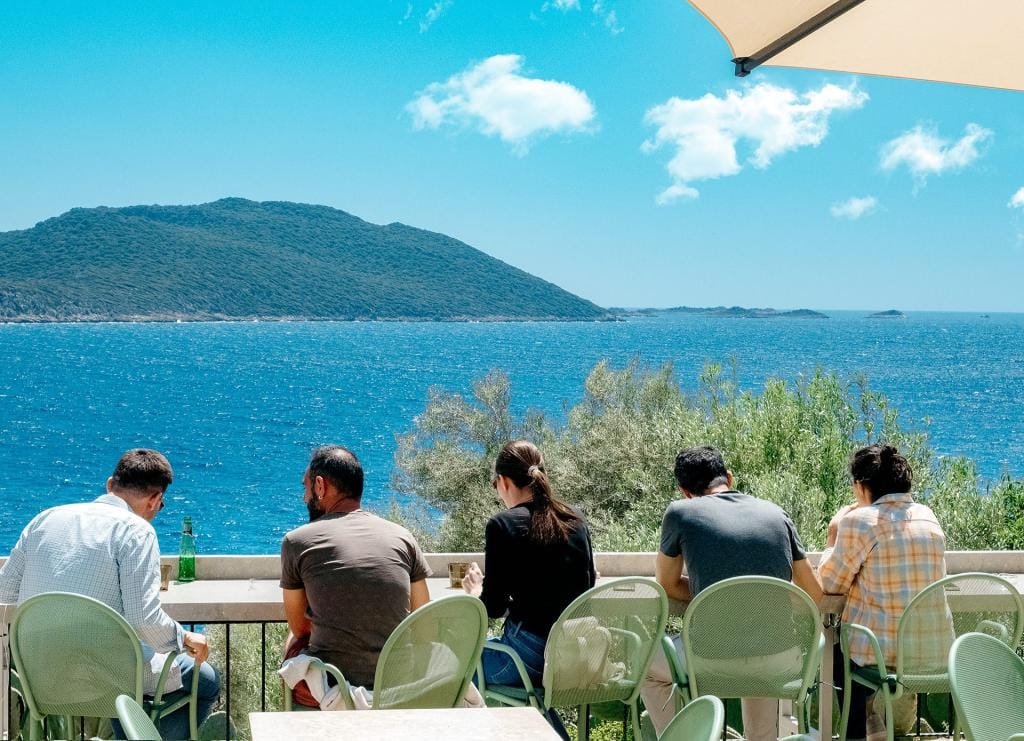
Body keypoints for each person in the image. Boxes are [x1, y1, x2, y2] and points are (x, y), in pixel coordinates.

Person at [0, 449, 220, 741]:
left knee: (127, 684)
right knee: (207, 681)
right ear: (154, 499)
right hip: (110, 678)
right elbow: (144, 620)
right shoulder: (136, 531)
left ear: (109, 485)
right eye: (161, 505)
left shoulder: (44, 520)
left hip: (42, 676)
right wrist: (185, 637)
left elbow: (6, 589)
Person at [641, 446, 822, 741]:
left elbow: (667, 584)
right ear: (729, 477)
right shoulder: (776, 513)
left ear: (685, 491)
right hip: (780, 659)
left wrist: (716, 592)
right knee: (759, 684)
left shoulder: (680, 512)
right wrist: (757, 593)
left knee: (646, 666)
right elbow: (813, 593)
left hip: (712, 658)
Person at [280, 445, 432, 700]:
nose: (305, 498)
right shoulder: (403, 537)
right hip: (398, 688)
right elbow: (423, 622)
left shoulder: (297, 542)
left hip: (336, 686)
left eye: (305, 487)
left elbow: (300, 628)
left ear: (320, 486)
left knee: (292, 646)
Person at [818, 444, 947, 741]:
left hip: (883, 658)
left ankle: (857, 732)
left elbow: (829, 584)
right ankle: (874, 722)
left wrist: (833, 533)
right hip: (936, 654)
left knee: (839, 653)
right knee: (862, 647)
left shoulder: (859, 521)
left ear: (861, 486)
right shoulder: (928, 516)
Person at [462, 440, 596, 689]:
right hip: (576, 655)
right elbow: (587, 585)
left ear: (503, 481)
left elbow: (493, 607)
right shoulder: (575, 517)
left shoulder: (502, 525)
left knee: (453, 666)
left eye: (495, 484)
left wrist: (475, 591)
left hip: (528, 659)